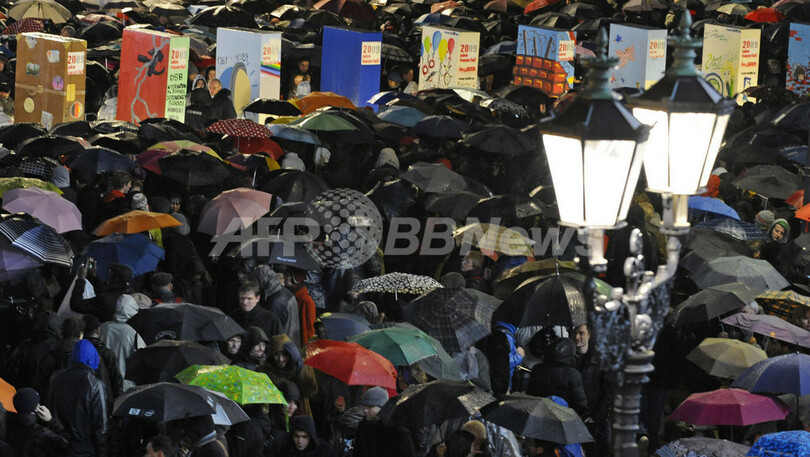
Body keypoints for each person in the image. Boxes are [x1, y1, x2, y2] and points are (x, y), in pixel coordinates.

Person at [47, 339, 109, 457]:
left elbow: (50, 413)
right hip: (85, 449)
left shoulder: (56, 380)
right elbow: (101, 427)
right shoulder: (96, 385)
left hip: (59, 447)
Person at [573, 324, 615, 457]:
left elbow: (609, 391)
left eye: (581, 333)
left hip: (595, 420)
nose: (577, 337)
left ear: (589, 335)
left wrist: (595, 416)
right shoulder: (570, 357)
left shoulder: (601, 359)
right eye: (575, 333)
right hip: (577, 418)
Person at [526, 337, 587, 415]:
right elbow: (580, 404)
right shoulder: (573, 375)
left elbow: (530, 395)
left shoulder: (537, 369)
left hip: (539, 414)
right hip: (565, 416)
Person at [99, 294, 146, 391]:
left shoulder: (103, 328)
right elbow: (142, 358)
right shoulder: (133, 333)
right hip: (124, 383)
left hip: (102, 380)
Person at [352, 387, 415, 457]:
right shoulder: (363, 426)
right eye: (365, 406)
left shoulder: (398, 431)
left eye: (370, 407)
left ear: (382, 407)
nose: (365, 410)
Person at [6, 387, 69, 456]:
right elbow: (66, 441)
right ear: (37, 408)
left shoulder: (6, 420)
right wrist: (51, 420)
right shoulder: (41, 434)